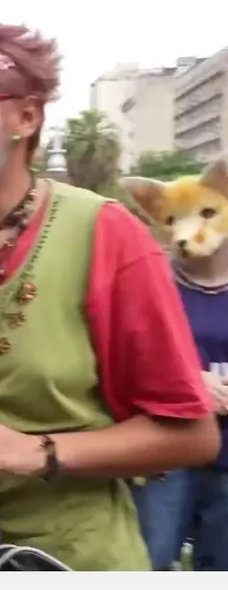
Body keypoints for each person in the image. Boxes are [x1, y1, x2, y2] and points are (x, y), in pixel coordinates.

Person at [0, 17, 221, 571]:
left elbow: (191, 437)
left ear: (25, 117)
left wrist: (41, 451)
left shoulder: (105, 234)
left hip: (71, 561)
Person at [122, 159, 228, 571]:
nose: (188, 230)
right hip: (167, 452)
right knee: (151, 557)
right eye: (172, 219)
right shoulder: (150, 281)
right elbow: (126, 358)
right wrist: (190, 381)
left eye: (206, 212)